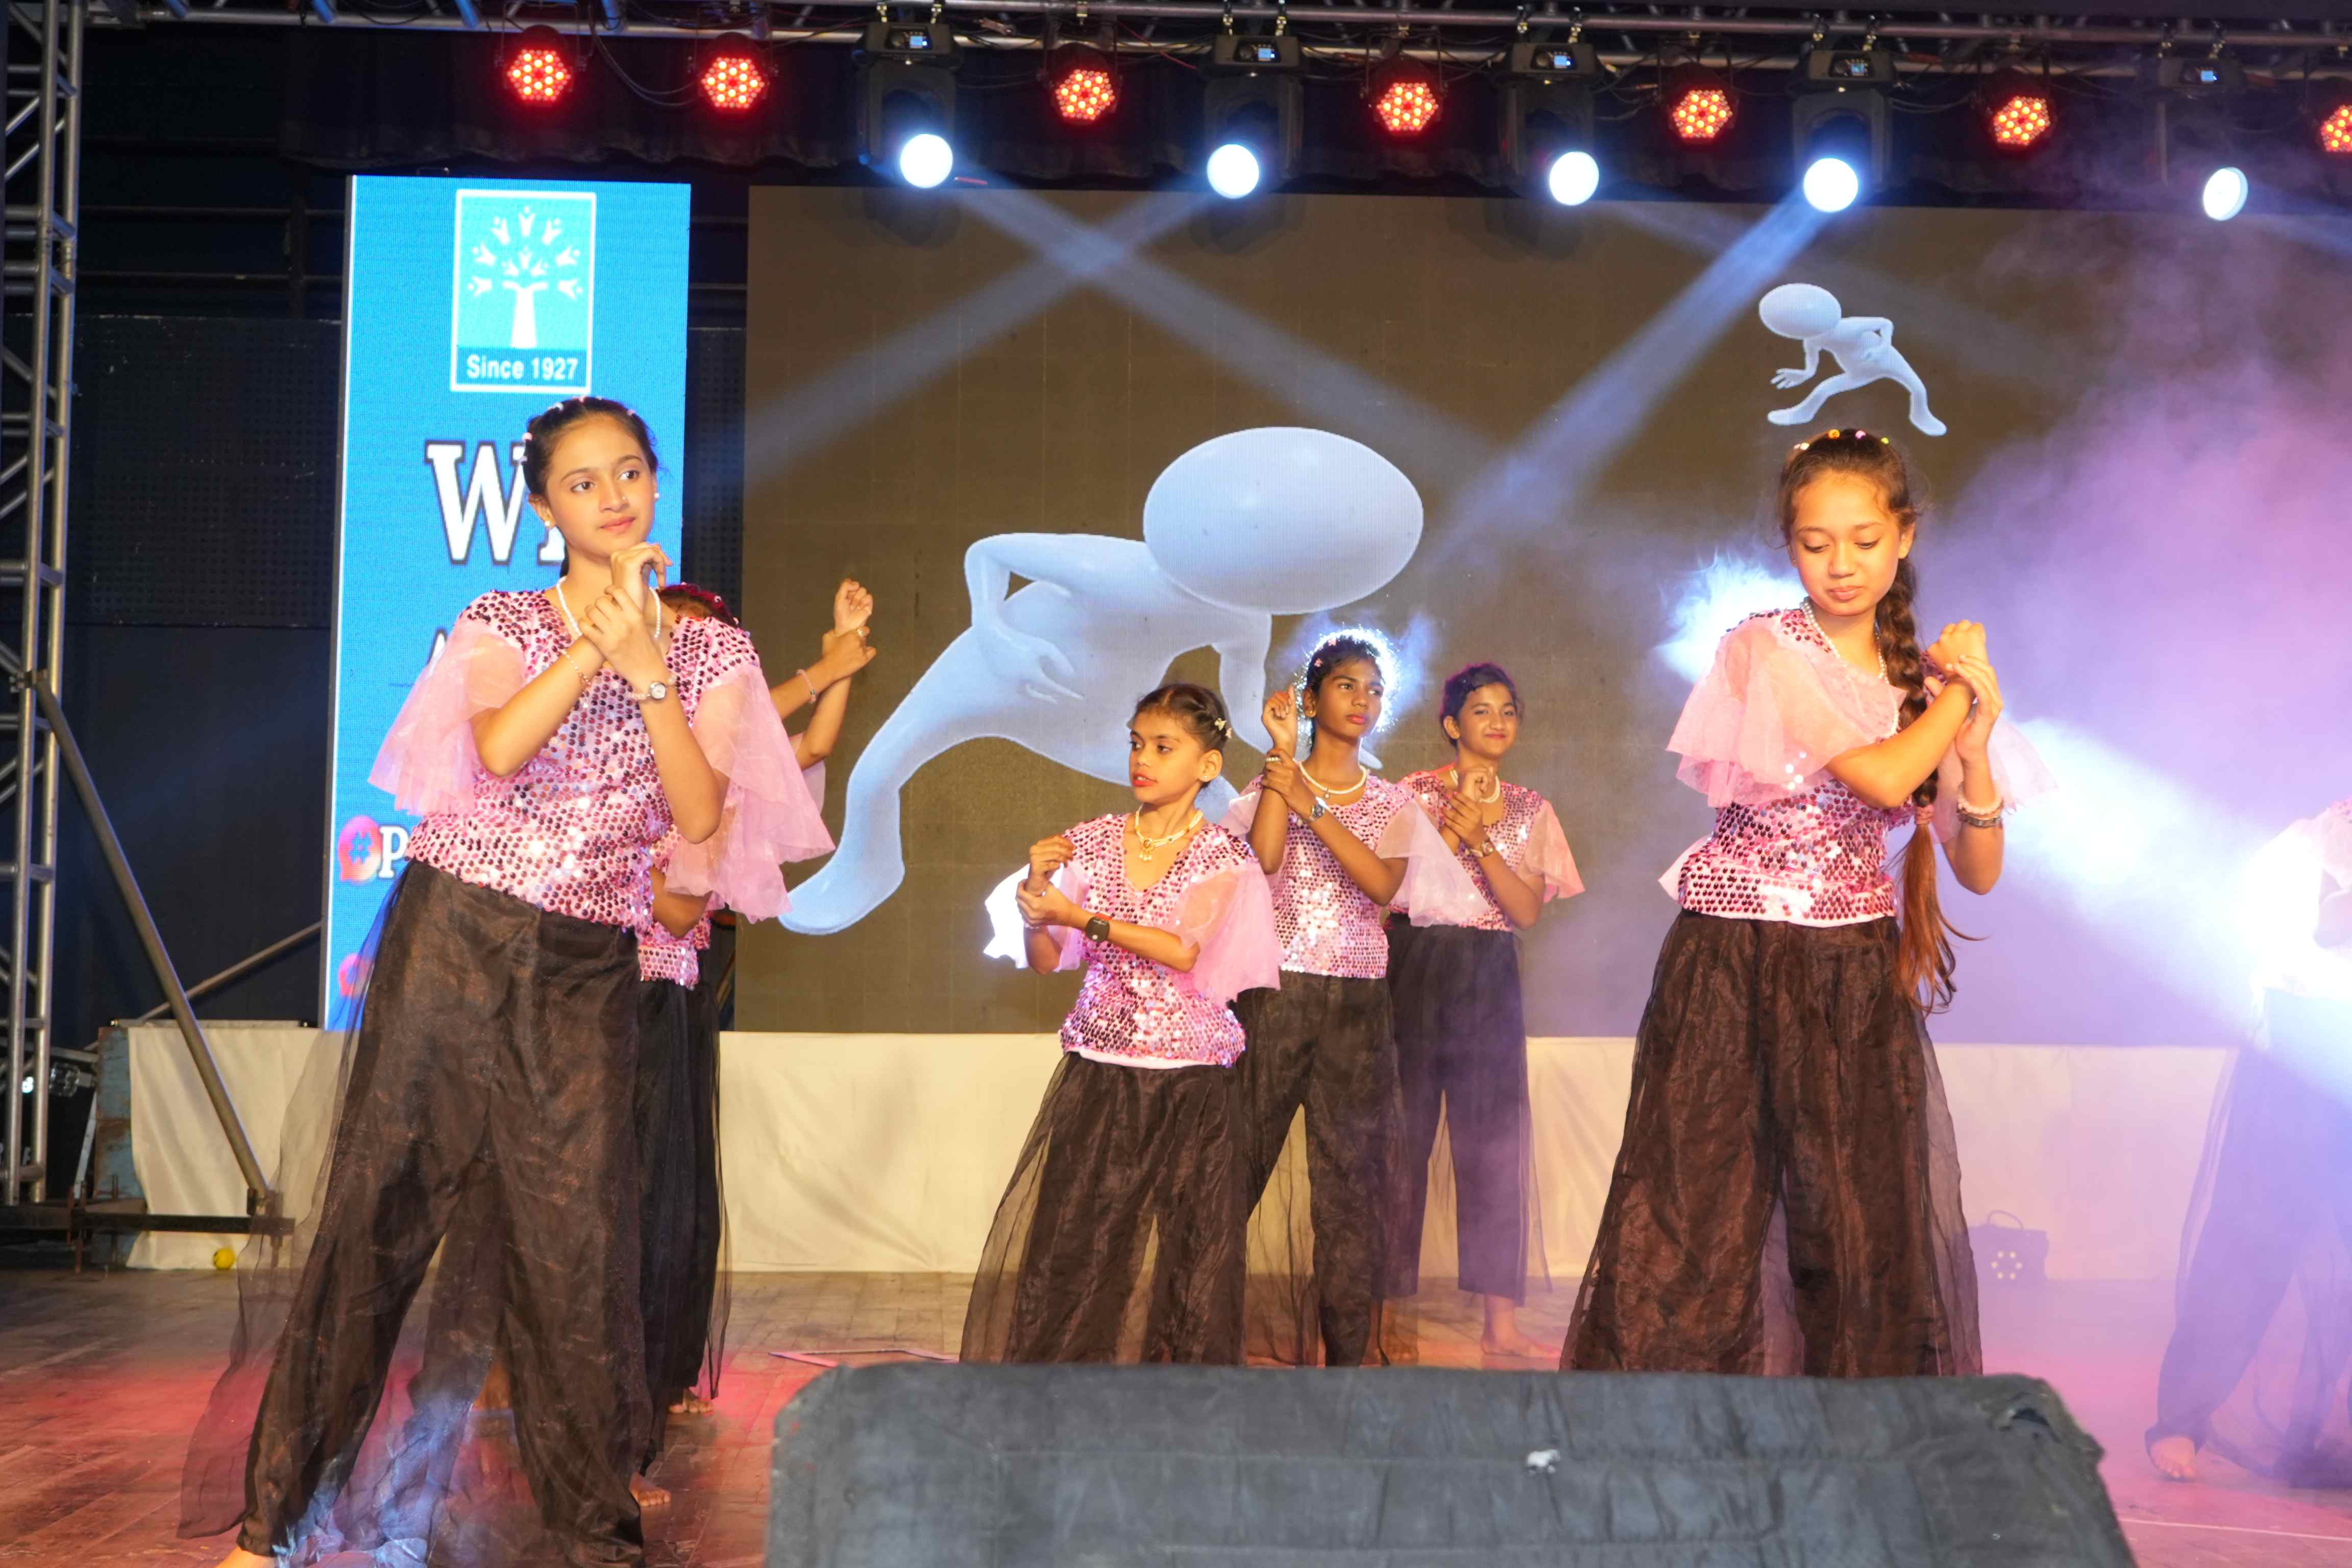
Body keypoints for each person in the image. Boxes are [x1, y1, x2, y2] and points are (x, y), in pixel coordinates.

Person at [191, 396, 827, 1568]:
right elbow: (496, 749)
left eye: (629, 472)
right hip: (457, 935)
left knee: (579, 1248)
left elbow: (698, 815)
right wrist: (594, 644)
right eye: (584, 482)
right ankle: (272, 1522)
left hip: (587, 964)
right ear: (544, 509)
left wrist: (649, 669)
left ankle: (595, 1536)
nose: (614, 496)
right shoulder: (502, 618)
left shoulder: (714, 652)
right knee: (383, 1215)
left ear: (655, 483)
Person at [1565, 428, 2048, 1379]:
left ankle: (1849, 1433)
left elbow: (1979, 868)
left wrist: (1975, 742)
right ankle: (1671, 1427)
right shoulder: (1767, 645)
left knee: (1857, 1223)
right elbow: (1881, 778)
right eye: (1816, 543)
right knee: (1699, 1209)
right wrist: (1958, 697)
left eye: (1864, 540)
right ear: (1789, 546)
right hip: (1736, 958)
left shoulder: (1921, 681)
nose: (1841, 564)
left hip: (1854, 971)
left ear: (1904, 536)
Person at [629, 580, 870, 1498]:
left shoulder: (719, 762)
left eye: (713, 647)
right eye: (681, 640)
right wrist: (821, 668)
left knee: (674, 1192)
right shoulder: (633, 743)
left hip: (678, 987)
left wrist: (841, 665)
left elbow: (806, 748)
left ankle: (659, 1378)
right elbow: (669, 904)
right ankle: (592, 1400)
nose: (696, 658)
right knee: (622, 1197)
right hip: (613, 988)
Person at [963, 683, 1280, 1364]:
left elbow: (1183, 951)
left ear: (1208, 765)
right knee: (1079, 1245)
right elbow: (1047, 960)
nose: (1143, 759)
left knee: (1192, 1260)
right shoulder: (1093, 841)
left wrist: (1080, 917)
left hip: (1192, 1084)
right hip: (1101, 1076)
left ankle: (1174, 1403)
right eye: (1137, 744)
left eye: (1164, 747)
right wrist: (1036, 903)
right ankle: (1068, 1395)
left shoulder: (1223, 854)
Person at [1223, 634, 1483, 1367]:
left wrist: (1311, 804)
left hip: (1359, 1008)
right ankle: (1197, 1341)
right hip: (1276, 995)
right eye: (1346, 685)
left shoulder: (1393, 801)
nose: (1363, 699)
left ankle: (1345, 1360)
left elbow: (1381, 885)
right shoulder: (1273, 780)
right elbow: (1263, 862)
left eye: (1374, 689)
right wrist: (1283, 768)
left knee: (1351, 1186)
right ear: (1309, 701)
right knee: (1235, 1166)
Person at [2148, 798, 2352, 1486]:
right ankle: (2183, 1418)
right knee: (2251, 1243)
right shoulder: (2311, 843)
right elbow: (2324, 929)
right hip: (2305, 1051)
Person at [1388, 663, 1583, 1359]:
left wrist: (1481, 840)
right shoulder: (1412, 794)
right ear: (1451, 724)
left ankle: (1500, 1326)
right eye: (1481, 710)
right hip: (1415, 965)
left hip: (1489, 974)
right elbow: (1390, 893)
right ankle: (1378, 1322)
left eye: (1508, 710)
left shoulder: (1531, 808)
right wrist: (1449, 829)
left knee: (1493, 1146)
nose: (1497, 722)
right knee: (1399, 1142)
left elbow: (1525, 911)